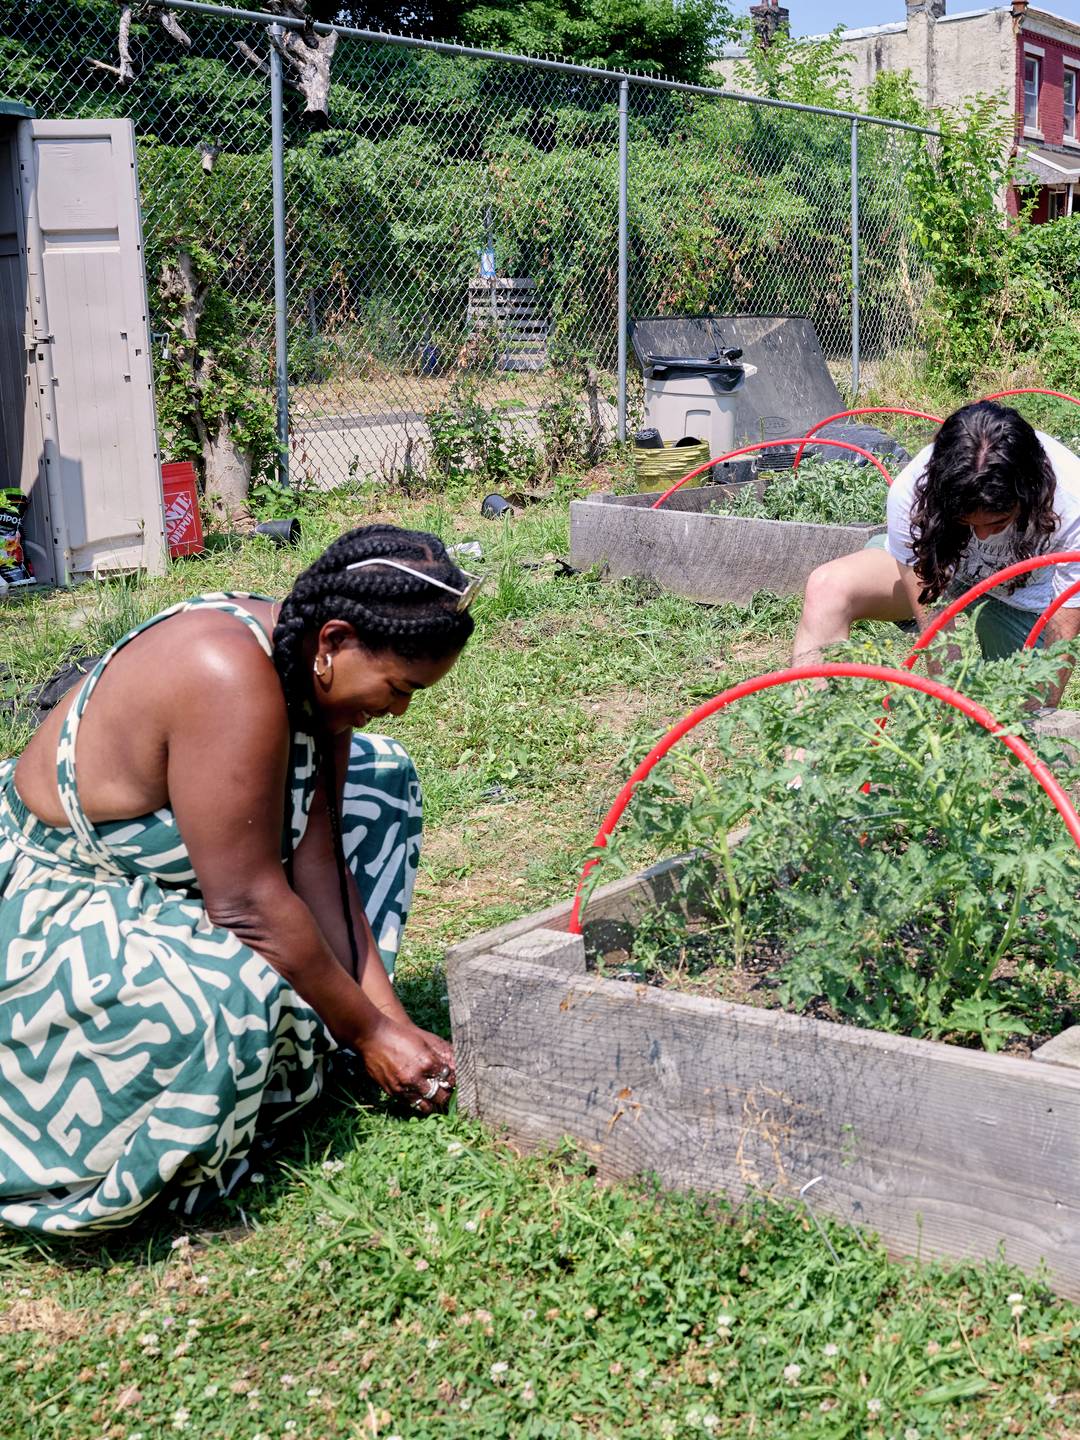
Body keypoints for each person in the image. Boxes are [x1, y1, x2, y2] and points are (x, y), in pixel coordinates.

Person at [0, 524, 476, 1232]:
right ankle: (135, 1157)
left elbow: (319, 861)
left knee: (382, 785)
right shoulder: (225, 675)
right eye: (399, 686)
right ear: (336, 640)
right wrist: (369, 1033)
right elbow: (247, 905)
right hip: (51, 896)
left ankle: (314, 1046)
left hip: (176, 874)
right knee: (231, 990)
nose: (401, 708)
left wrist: (393, 1024)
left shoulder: (308, 663)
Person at [791, 401, 1080, 705]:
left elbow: (1062, 634)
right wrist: (950, 696)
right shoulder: (913, 490)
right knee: (827, 588)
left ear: (1030, 492)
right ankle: (810, 744)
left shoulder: (1071, 499)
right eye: (965, 520)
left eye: (998, 522)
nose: (980, 535)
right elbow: (930, 604)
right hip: (939, 569)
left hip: (1022, 598)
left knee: (1020, 712)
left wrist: (1038, 714)